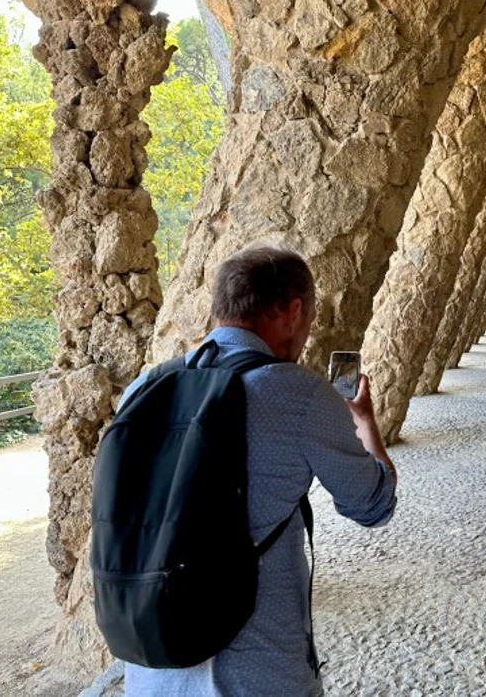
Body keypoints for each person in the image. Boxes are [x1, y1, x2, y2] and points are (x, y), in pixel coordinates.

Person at [123, 245, 397, 697]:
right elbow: (372, 506)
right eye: (309, 319)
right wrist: (366, 424)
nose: (307, 333)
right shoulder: (299, 394)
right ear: (291, 310)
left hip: (150, 662)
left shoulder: (146, 385)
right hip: (253, 671)